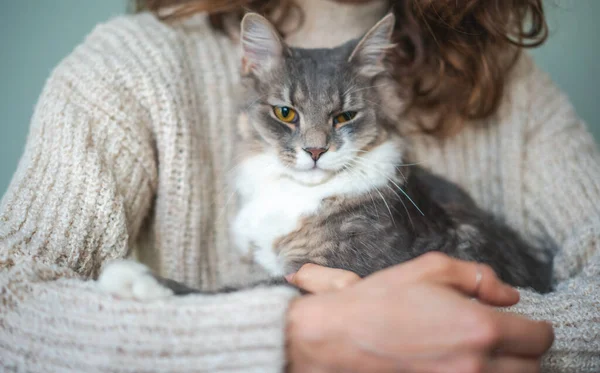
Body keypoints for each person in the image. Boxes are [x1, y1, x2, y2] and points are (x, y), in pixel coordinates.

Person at [0, 0, 598, 371]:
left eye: (338, 118)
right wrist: (287, 339)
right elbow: (13, 298)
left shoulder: (514, 85)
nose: (313, 146)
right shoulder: (128, 64)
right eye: (287, 115)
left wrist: (514, 344)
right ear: (250, 72)